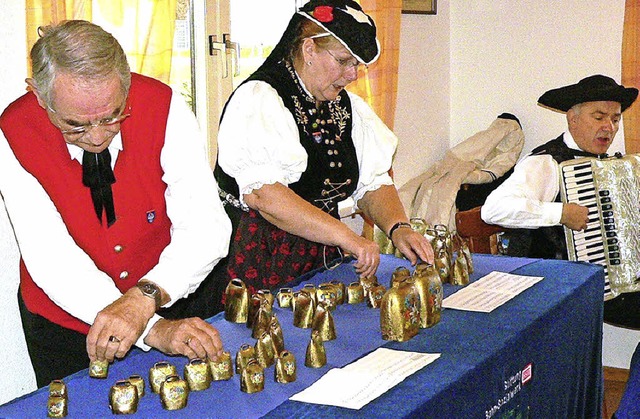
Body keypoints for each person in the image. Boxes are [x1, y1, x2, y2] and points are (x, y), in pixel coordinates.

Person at [0, 20, 232, 387]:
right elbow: (52, 258)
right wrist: (152, 329)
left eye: (112, 116)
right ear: (39, 95)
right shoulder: (12, 131)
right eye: (75, 125)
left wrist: (146, 300)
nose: (96, 136)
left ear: (126, 83)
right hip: (67, 326)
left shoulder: (163, 104)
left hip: (174, 300)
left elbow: (206, 226)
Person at [210, 0, 433, 309]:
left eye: (356, 64)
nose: (353, 74)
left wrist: (398, 227)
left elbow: (372, 181)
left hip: (319, 255)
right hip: (257, 257)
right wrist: (345, 236)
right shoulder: (259, 100)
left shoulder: (347, 108)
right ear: (309, 49)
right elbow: (265, 196)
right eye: (344, 61)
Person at [481, 74, 639, 327]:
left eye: (615, 119)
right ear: (573, 118)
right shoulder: (546, 163)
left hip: (608, 283)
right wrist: (560, 213)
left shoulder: (611, 168)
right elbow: (493, 209)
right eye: (599, 117)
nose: (609, 127)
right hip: (556, 286)